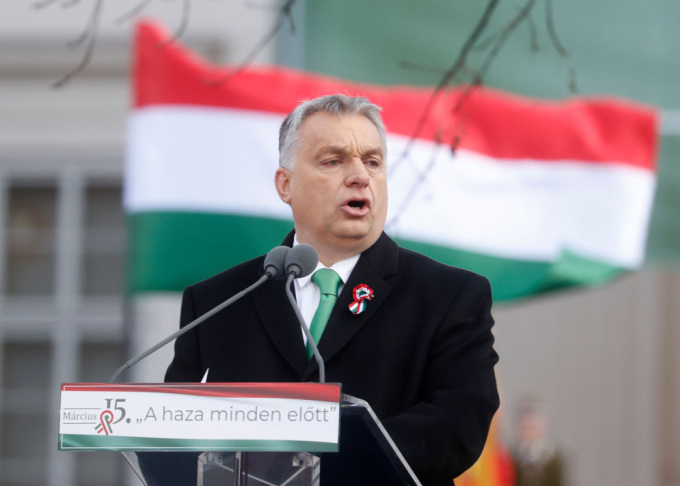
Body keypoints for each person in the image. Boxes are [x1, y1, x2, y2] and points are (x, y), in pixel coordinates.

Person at [165, 94, 500, 485]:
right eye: (333, 160)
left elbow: (459, 424)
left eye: (372, 161)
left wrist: (328, 458)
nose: (360, 175)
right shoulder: (216, 303)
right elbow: (176, 434)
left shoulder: (449, 296)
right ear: (285, 184)